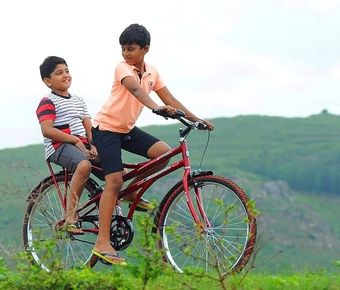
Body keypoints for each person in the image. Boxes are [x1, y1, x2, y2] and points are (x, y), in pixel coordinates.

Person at [90, 24, 212, 266]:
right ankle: (102, 242)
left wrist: (196, 119)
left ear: (145, 49)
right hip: (105, 130)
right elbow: (135, 89)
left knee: (163, 152)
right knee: (114, 182)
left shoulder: (152, 72)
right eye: (123, 49)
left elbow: (170, 99)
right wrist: (155, 108)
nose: (126, 53)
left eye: (131, 49)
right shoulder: (122, 68)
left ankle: (132, 191)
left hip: (126, 129)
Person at [36, 56, 99, 230]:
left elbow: (89, 127)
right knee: (84, 165)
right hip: (59, 146)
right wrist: (75, 140)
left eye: (67, 71)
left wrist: (93, 145)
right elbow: (47, 130)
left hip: (83, 144)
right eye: (59, 73)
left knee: (115, 166)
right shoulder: (48, 101)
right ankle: (70, 216)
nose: (66, 75)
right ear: (48, 81)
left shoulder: (79, 100)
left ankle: (129, 196)